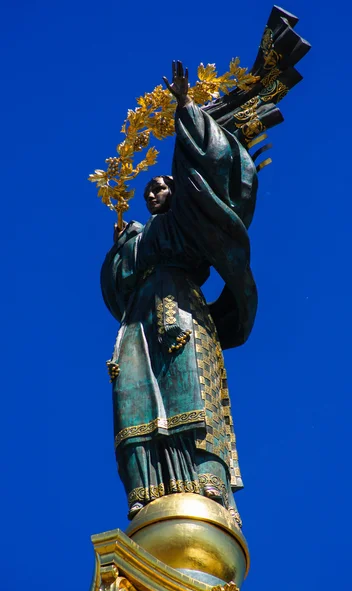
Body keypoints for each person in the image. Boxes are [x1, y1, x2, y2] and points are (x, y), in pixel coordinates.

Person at [101, 61, 258, 526]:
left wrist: (186, 108)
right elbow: (116, 285)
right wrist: (121, 249)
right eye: (147, 189)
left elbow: (198, 166)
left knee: (186, 389)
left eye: (161, 185)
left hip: (180, 308)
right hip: (138, 319)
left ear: (176, 191)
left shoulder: (186, 221)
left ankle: (207, 482)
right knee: (133, 397)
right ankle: (146, 489)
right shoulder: (135, 237)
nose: (153, 192)